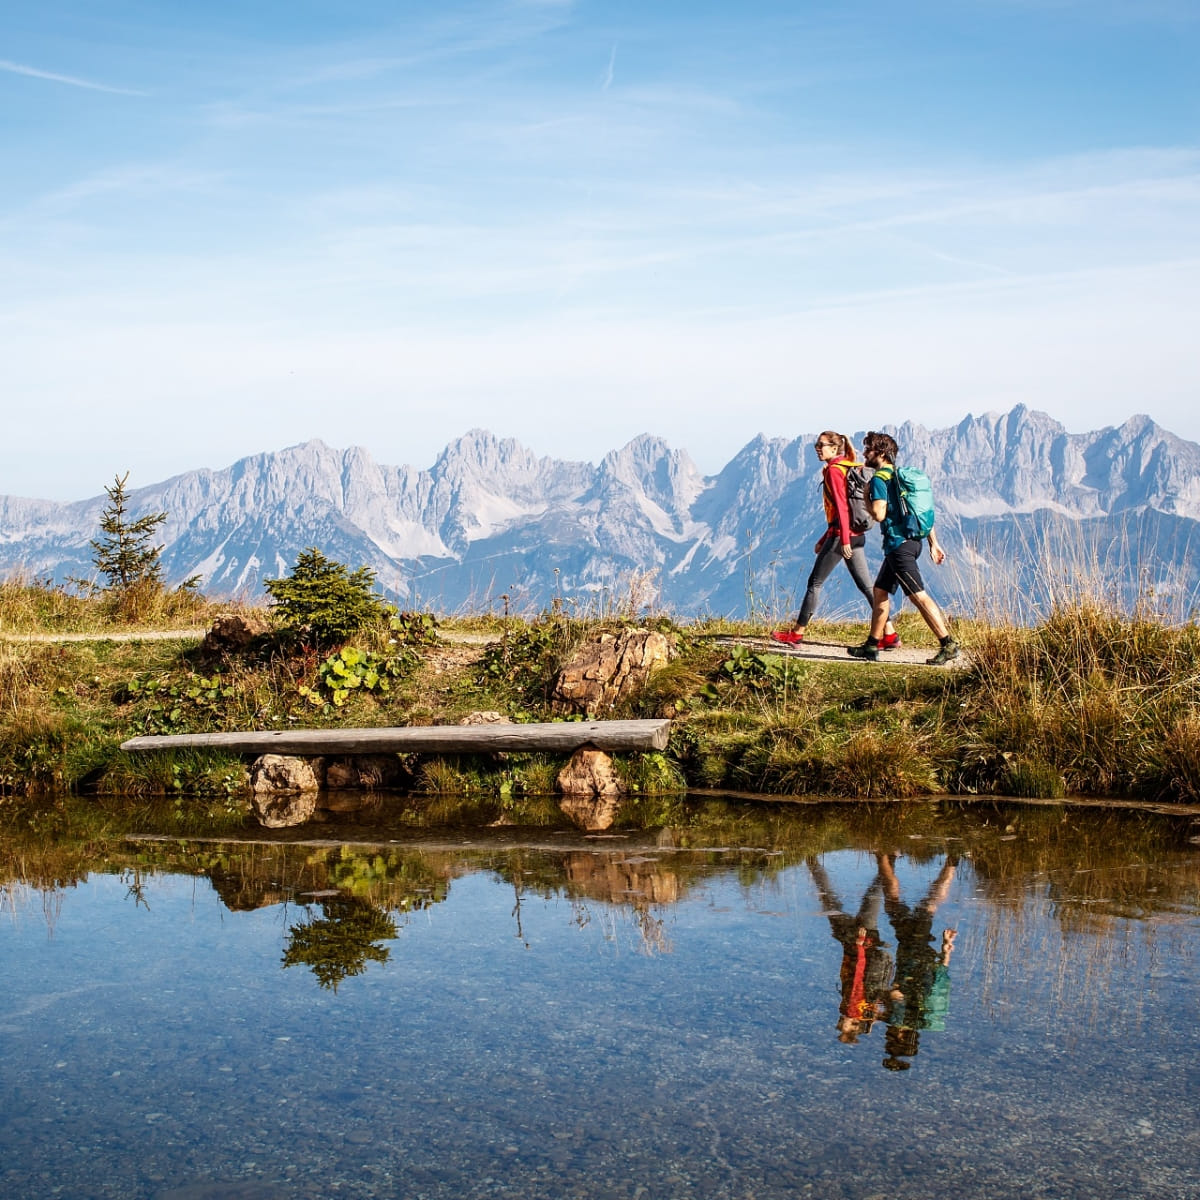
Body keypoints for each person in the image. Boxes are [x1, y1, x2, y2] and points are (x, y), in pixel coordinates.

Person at [772, 431, 899, 648]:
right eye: (816, 445)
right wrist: (825, 538)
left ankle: (797, 634)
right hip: (856, 535)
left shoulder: (833, 471)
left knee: (815, 583)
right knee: (868, 587)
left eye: (822, 445)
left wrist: (844, 540)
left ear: (834, 448)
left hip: (843, 537)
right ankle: (889, 634)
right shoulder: (847, 464)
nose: (817, 449)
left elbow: (841, 506)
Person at [847, 431, 959, 665]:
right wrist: (933, 543)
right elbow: (918, 512)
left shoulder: (879, 480)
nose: (864, 453)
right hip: (911, 542)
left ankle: (948, 643)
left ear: (879, 453)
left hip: (899, 547)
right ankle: (871, 646)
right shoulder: (898, 477)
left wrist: (866, 495)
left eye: (868, 449)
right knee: (880, 591)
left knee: (918, 596)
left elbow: (878, 514)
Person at [876, 852, 958, 1071]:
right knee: (899, 905)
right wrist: (880, 1003)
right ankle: (882, 854)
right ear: (900, 1036)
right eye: (890, 1041)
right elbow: (897, 993)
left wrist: (945, 949)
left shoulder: (924, 1018)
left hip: (926, 956)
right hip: (911, 950)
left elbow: (941, 980)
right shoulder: (898, 1018)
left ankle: (952, 863)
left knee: (926, 908)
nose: (888, 1037)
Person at [807, 856, 894, 1044]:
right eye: (849, 1025)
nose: (846, 1020)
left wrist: (862, 945)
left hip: (864, 942)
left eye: (844, 1025)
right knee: (831, 900)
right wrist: (860, 945)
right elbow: (857, 976)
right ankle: (811, 861)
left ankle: (889, 859)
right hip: (856, 942)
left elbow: (858, 978)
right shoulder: (856, 1008)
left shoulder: (860, 1008)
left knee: (872, 896)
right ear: (856, 1023)